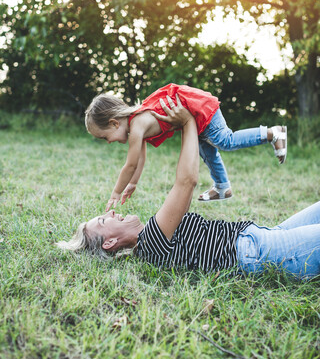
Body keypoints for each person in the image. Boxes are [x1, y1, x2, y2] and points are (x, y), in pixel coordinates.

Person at [58, 100, 319, 281]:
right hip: (262, 253)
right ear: (110, 242)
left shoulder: (151, 234)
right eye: (104, 221)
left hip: (264, 236)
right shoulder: (150, 245)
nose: (113, 213)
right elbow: (186, 182)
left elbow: (139, 156)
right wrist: (187, 123)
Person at [85, 83, 287, 209]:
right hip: (192, 117)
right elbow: (140, 160)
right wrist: (133, 183)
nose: (109, 142)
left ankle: (272, 133)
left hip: (197, 109)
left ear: (114, 123)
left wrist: (116, 192)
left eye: (105, 137)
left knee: (225, 141)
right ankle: (222, 186)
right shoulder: (136, 128)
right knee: (206, 151)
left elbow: (129, 165)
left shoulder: (137, 125)